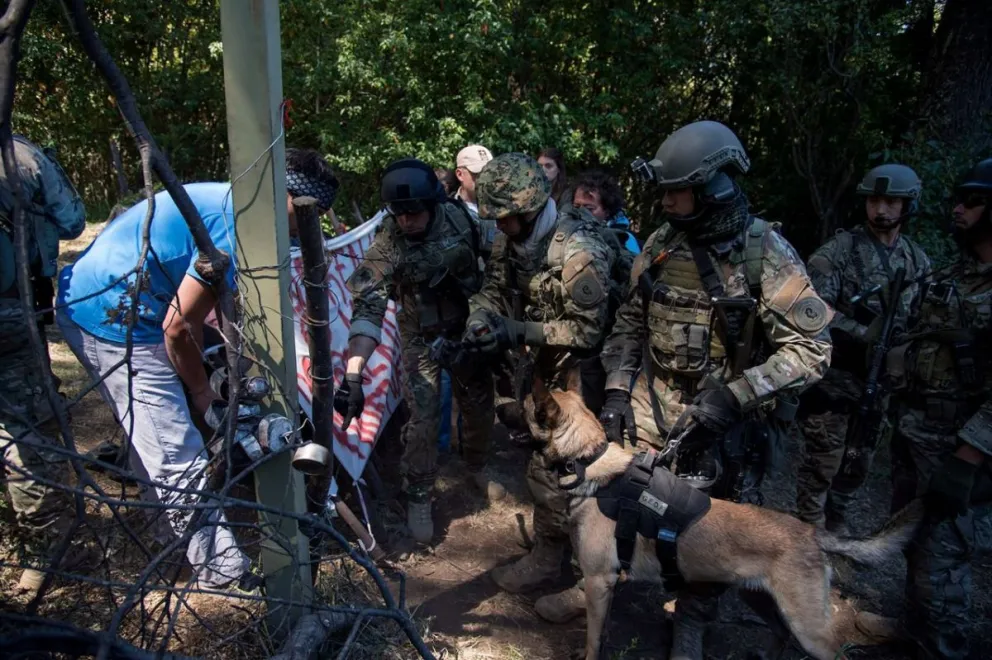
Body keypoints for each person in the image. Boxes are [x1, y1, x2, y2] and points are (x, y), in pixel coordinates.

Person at [593, 121, 832, 657]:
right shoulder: (658, 244)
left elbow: (813, 350)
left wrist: (736, 396)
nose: (667, 201)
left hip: (723, 429)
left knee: (711, 532)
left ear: (711, 188)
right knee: (637, 511)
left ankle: (694, 623)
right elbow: (630, 324)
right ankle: (631, 593)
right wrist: (614, 391)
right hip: (651, 414)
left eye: (676, 191)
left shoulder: (764, 254)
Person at [56, 147, 339, 590]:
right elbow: (176, 328)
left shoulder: (245, 208)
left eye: (319, 212)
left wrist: (233, 367)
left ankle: (170, 536)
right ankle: (223, 576)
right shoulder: (238, 227)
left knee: (151, 433)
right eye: (305, 210)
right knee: (175, 452)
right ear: (281, 195)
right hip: (112, 315)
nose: (308, 223)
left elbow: (225, 305)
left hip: (128, 300)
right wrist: (203, 393)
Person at [460, 153, 617, 597]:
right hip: (547, 364)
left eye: (508, 219)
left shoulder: (580, 248)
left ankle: (565, 560)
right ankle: (558, 550)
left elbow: (589, 330)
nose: (501, 227)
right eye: (497, 219)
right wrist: (480, 321)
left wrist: (516, 331)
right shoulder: (509, 238)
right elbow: (492, 289)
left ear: (533, 207)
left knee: (566, 465)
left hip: (588, 373)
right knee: (544, 462)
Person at [341, 158, 502, 545]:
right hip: (420, 335)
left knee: (479, 404)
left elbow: (498, 264)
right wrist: (353, 372)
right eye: (399, 214)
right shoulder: (389, 240)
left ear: (433, 205)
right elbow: (369, 305)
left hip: (468, 328)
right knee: (423, 416)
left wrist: (491, 316)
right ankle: (419, 495)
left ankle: (477, 465)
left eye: (414, 213)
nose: (406, 222)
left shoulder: (463, 221)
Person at [887, 158, 992, 659]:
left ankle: (946, 648)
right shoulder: (944, 278)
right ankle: (914, 642)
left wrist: (970, 457)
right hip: (916, 435)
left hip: (964, 453)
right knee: (911, 547)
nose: (957, 209)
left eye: (971, 201)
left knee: (942, 561)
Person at [796, 164, 931, 534]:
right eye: (874, 200)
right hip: (836, 377)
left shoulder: (917, 261)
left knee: (860, 461)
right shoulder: (840, 250)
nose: (881, 210)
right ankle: (809, 533)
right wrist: (860, 333)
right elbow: (809, 306)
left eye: (890, 201)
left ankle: (837, 525)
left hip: (882, 382)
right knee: (823, 460)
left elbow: (923, 319)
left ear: (908, 206)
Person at [0, 135, 89, 597]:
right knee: (25, 430)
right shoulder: (20, 155)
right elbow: (73, 221)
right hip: (13, 313)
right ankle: (48, 549)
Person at [572, 168, 641, 255]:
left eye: (589, 209)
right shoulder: (566, 230)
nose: (580, 213)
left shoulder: (625, 240)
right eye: (576, 207)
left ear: (607, 211)